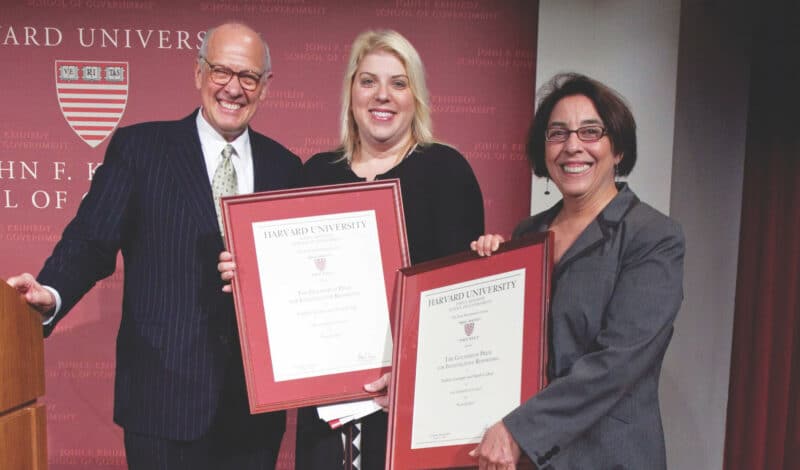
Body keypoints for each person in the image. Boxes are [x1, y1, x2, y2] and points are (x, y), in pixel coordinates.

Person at [6, 22, 302, 470]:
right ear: (199, 72)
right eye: (222, 70)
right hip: (161, 401)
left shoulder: (285, 167)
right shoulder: (141, 148)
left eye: (248, 77)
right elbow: (91, 239)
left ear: (265, 87)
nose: (233, 88)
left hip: (253, 410)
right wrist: (51, 292)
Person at [219, 29, 485, 469]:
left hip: (413, 404)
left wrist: (407, 371)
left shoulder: (446, 171)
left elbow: (459, 301)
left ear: (415, 95)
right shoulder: (316, 174)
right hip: (325, 410)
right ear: (351, 92)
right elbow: (290, 287)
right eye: (368, 81)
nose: (382, 95)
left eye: (398, 83)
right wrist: (247, 276)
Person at [469, 73, 685, 470]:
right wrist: (488, 276)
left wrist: (519, 429)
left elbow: (616, 364)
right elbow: (503, 350)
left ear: (617, 148)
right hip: (531, 460)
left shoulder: (653, 236)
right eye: (557, 134)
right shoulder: (526, 234)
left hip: (608, 456)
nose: (572, 146)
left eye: (590, 132)